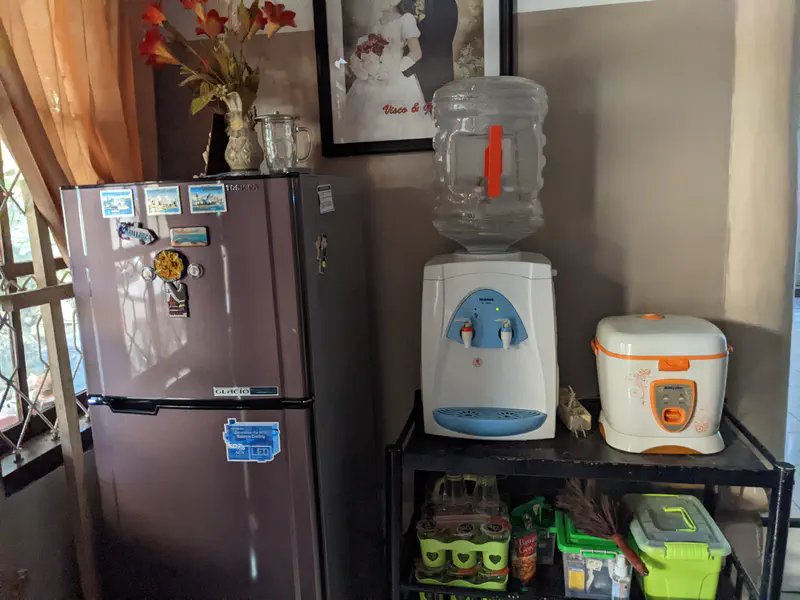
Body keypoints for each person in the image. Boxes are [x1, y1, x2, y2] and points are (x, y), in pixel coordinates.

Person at [342, 0, 436, 143]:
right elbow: (371, 47)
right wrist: (366, 64)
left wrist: (394, 70)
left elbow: (416, 53)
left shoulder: (406, 19)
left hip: (396, 78)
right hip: (373, 78)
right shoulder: (378, 21)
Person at [402, 0, 459, 105]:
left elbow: (438, 35)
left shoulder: (445, 3)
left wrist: (409, 28)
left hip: (432, 70)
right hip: (425, 68)